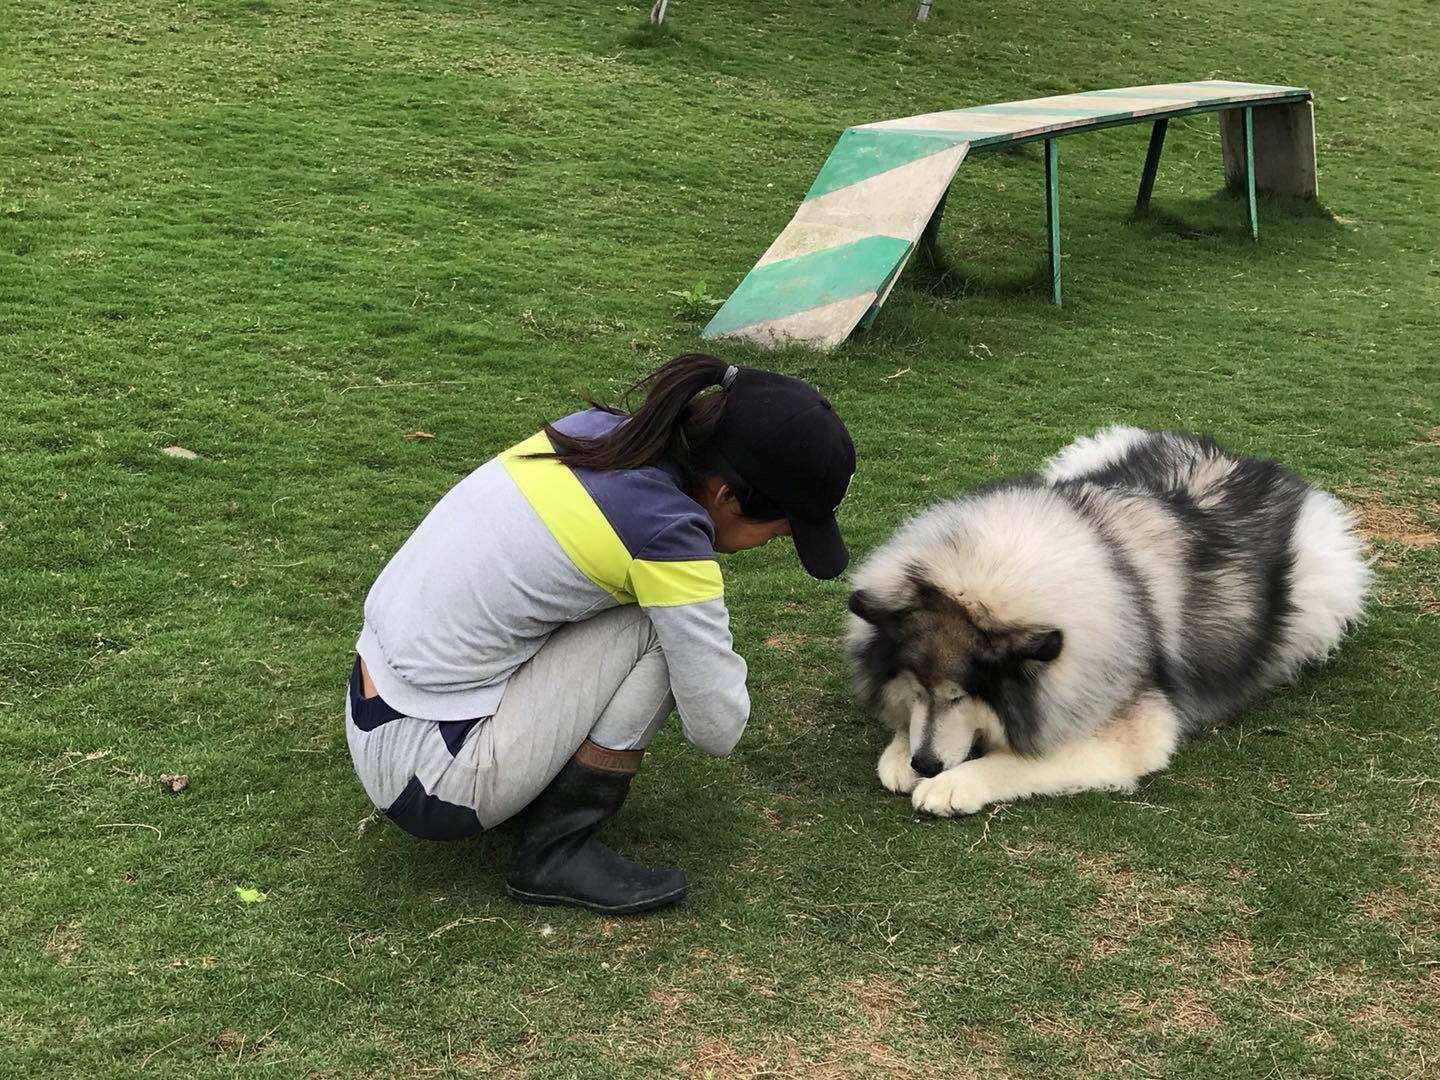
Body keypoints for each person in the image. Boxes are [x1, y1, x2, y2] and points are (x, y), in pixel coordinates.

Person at [344, 353, 856, 914]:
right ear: (725, 497)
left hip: (373, 707)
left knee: (633, 605)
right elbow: (718, 727)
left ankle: (525, 791)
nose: (769, 546)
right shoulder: (668, 533)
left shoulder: (596, 431)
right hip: (429, 777)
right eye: (779, 532)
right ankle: (553, 853)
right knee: (656, 627)